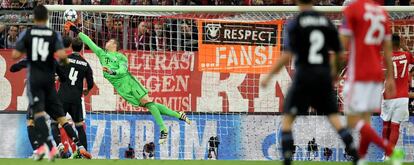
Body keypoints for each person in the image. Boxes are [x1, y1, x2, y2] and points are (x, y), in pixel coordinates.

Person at [261, 0, 359, 164]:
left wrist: (269, 76)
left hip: (304, 75)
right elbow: (340, 53)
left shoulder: (295, 23)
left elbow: (287, 55)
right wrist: (334, 73)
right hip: (323, 76)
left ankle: (286, 158)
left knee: (288, 119)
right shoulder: (326, 22)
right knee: (334, 118)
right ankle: (354, 153)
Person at [65, 21, 191, 144]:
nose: (107, 42)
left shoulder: (121, 57)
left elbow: (123, 69)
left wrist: (112, 72)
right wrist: (75, 29)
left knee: (148, 102)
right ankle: (178, 114)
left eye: (109, 41)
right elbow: (88, 41)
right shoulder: (101, 54)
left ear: (114, 45)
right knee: (150, 105)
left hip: (129, 82)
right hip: (121, 89)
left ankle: (163, 129)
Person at [11, 5, 91, 161]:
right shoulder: (54, 58)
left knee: (31, 121)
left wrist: (17, 65)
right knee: (62, 121)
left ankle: (38, 150)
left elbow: (17, 61)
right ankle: (80, 147)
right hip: (52, 93)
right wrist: (59, 77)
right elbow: (63, 74)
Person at [339, 0, 405, 164]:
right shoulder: (381, 13)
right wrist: (389, 77)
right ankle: (361, 159)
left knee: (352, 120)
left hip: (358, 74)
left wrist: (333, 72)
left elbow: (342, 46)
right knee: (365, 122)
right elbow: (388, 51)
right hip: (376, 74)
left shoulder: (353, 9)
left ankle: (390, 150)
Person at [50, 36, 94, 158]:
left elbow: (55, 74)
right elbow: (91, 83)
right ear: (82, 48)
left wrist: (58, 77)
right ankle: (84, 153)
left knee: (54, 123)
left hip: (62, 98)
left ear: (71, 47)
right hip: (76, 99)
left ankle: (60, 146)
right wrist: (87, 90)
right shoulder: (85, 64)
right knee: (80, 126)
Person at [381, 34, 413, 153]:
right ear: (399, 43)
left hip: (389, 95)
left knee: (386, 124)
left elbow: (381, 75)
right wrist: (405, 47)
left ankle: (385, 153)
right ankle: (390, 156)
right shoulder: (407, 55)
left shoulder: (386, 57)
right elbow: (412, 58)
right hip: (403, 97)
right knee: (395, 126)